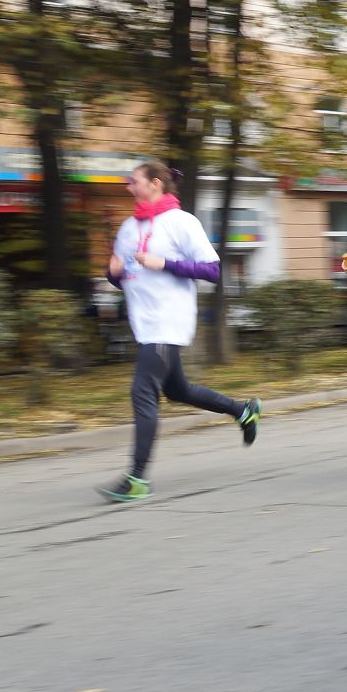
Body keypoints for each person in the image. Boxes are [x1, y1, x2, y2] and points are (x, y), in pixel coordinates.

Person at [100, 160, 262, 502]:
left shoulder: (181, 222)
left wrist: (166, 264)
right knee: (177, 390)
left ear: (155, 184)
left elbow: (213, 270)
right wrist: (112, 273)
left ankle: (137, 478)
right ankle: (242, 410)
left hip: (168, 321)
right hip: (144, 323)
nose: (129, 187)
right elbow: (123, 274)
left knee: (142, 392)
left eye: (134, 182)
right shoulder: (129, 227)